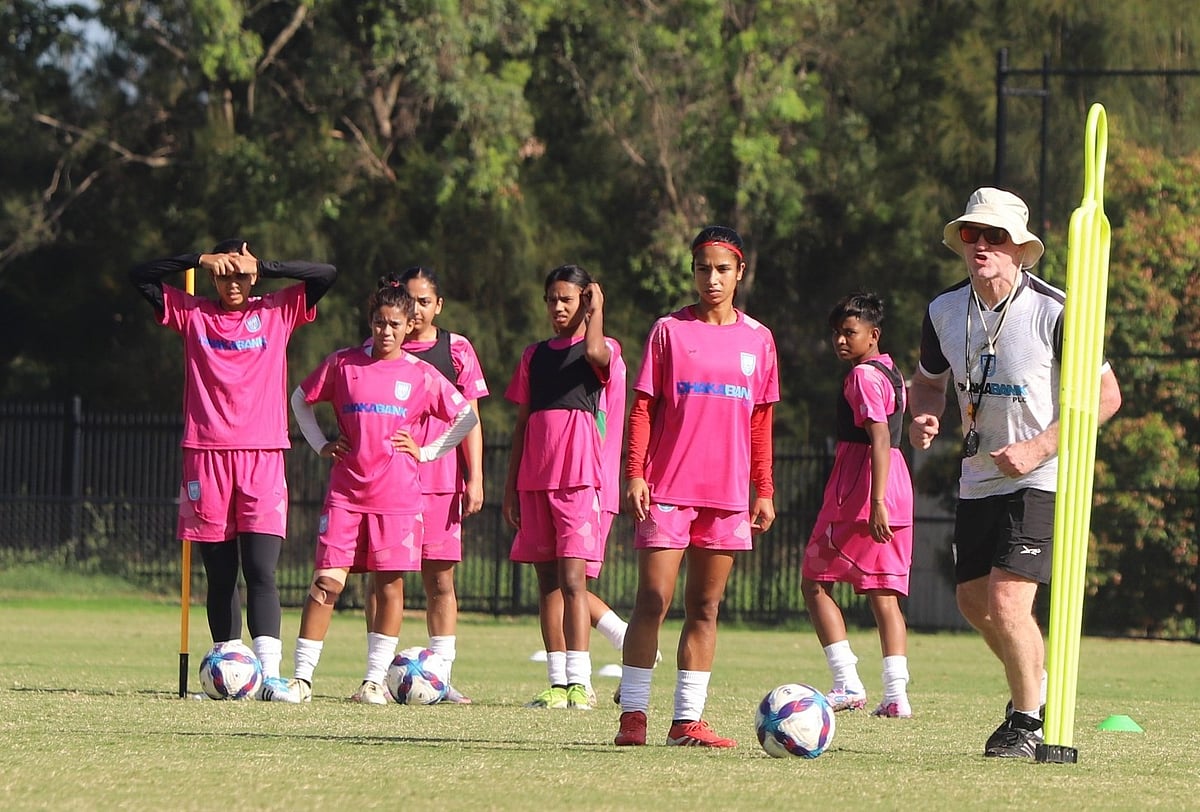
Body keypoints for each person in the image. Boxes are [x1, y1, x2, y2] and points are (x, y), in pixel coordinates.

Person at [908, 187, 1121, 758]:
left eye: (994, 236)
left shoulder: (1055, 309)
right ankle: (1038, 690)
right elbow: (928, 383)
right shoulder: (943, 311)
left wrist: (1041, 447)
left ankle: (1026, 723)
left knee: (1007, 603)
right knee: (973, 604)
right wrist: (925, 415)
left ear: (1021, 250)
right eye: (972, 235)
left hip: (1042, 476)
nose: (981, 245)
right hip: (979, 475)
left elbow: (1105, 396)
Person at [130, 239, 336, 703]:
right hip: (205, 455)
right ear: (213, 277)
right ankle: (228, 669)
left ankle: (269, 677)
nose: (233, 282)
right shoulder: (194, 314)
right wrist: (198, 258)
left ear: (253, 276)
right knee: (220, 576)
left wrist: (265, 264)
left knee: (261, 570)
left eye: (240, 275)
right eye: (224, 274)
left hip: (262, 455)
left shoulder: (278, 311)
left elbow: (325, 272)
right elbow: (140, 276)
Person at [614, 225, 779, 748]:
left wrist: (764, 488)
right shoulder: (669, 331)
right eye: (703, 267)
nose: (712, 278)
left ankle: (687, 722)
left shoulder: (759, 339)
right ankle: (632, 717)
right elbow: (643, 406)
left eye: (722, 268)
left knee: (705, 608)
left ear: (739, 273)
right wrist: (636, 472)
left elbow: (761, 422)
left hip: (728, 497)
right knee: (653, 599)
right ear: (693, 270)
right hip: (668, 489)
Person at [285, 282, 478, 703]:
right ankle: (301, 679)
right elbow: (300, 398)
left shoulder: (422, 375)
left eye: (394, 324)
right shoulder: (343, 364)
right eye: (378, 322)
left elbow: (465, 416)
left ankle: (373, 681)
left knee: (390, 587)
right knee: (326, 584)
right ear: (369, 322)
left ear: (409, 326)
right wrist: (321, 444)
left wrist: (427, 452)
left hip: (398, 498)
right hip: (346, 495)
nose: (385, 331)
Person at [360, 266, 488, 704]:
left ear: (438, 305)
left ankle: (440, 675)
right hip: (387, 483)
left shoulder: (456, 350)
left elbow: (470, 417)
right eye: (407, 300)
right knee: (382, 581)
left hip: (439, 483)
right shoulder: (376, 350)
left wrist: (475, 478)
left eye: (422, 300)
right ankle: (374, 676)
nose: (413, 310)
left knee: (440, 583)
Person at [504, 264, 621, 711]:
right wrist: (512, 487)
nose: (558, 307)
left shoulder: (602, 348)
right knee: (547, 582)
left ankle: (580, 682)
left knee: (575, 580)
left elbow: (594, 349)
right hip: (536, 481)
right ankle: (557, 682)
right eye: (552, 299)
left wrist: (598, 311)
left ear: (585, 301)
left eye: (568, 299)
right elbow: (520, 426)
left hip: (577, 481)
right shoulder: (534, 356)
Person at [801, 292, 914, 719]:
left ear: (874, 334)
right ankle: (896, 696)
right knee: (884, 595)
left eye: (850, 332)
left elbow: (879, 436)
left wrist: (877, 501)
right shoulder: (891, 372)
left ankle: (847, 681)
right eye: (837, 334)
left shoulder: (863, 377)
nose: (841, 341)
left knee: (814, 580)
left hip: (861, 492)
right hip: (897, 484)